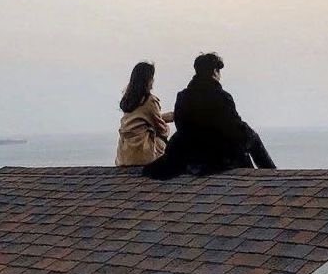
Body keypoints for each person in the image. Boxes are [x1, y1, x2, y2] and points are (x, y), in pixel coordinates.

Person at [143, 52, 275, 179]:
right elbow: (234, 129)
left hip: (189, 152)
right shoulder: (222, 97)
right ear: (215, 72)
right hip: (215, 154)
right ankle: (271, 173)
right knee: (252, 137)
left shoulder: (183, 96)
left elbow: (181, 124)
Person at [115, 62, 174, 166]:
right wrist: (166, 125)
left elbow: (140, 119)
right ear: (147, 80)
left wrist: (163, 118)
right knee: (165, 143)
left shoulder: (129, 101)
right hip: (142, 155)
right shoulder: (149, 101)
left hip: (123, 156)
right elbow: (162, 130)